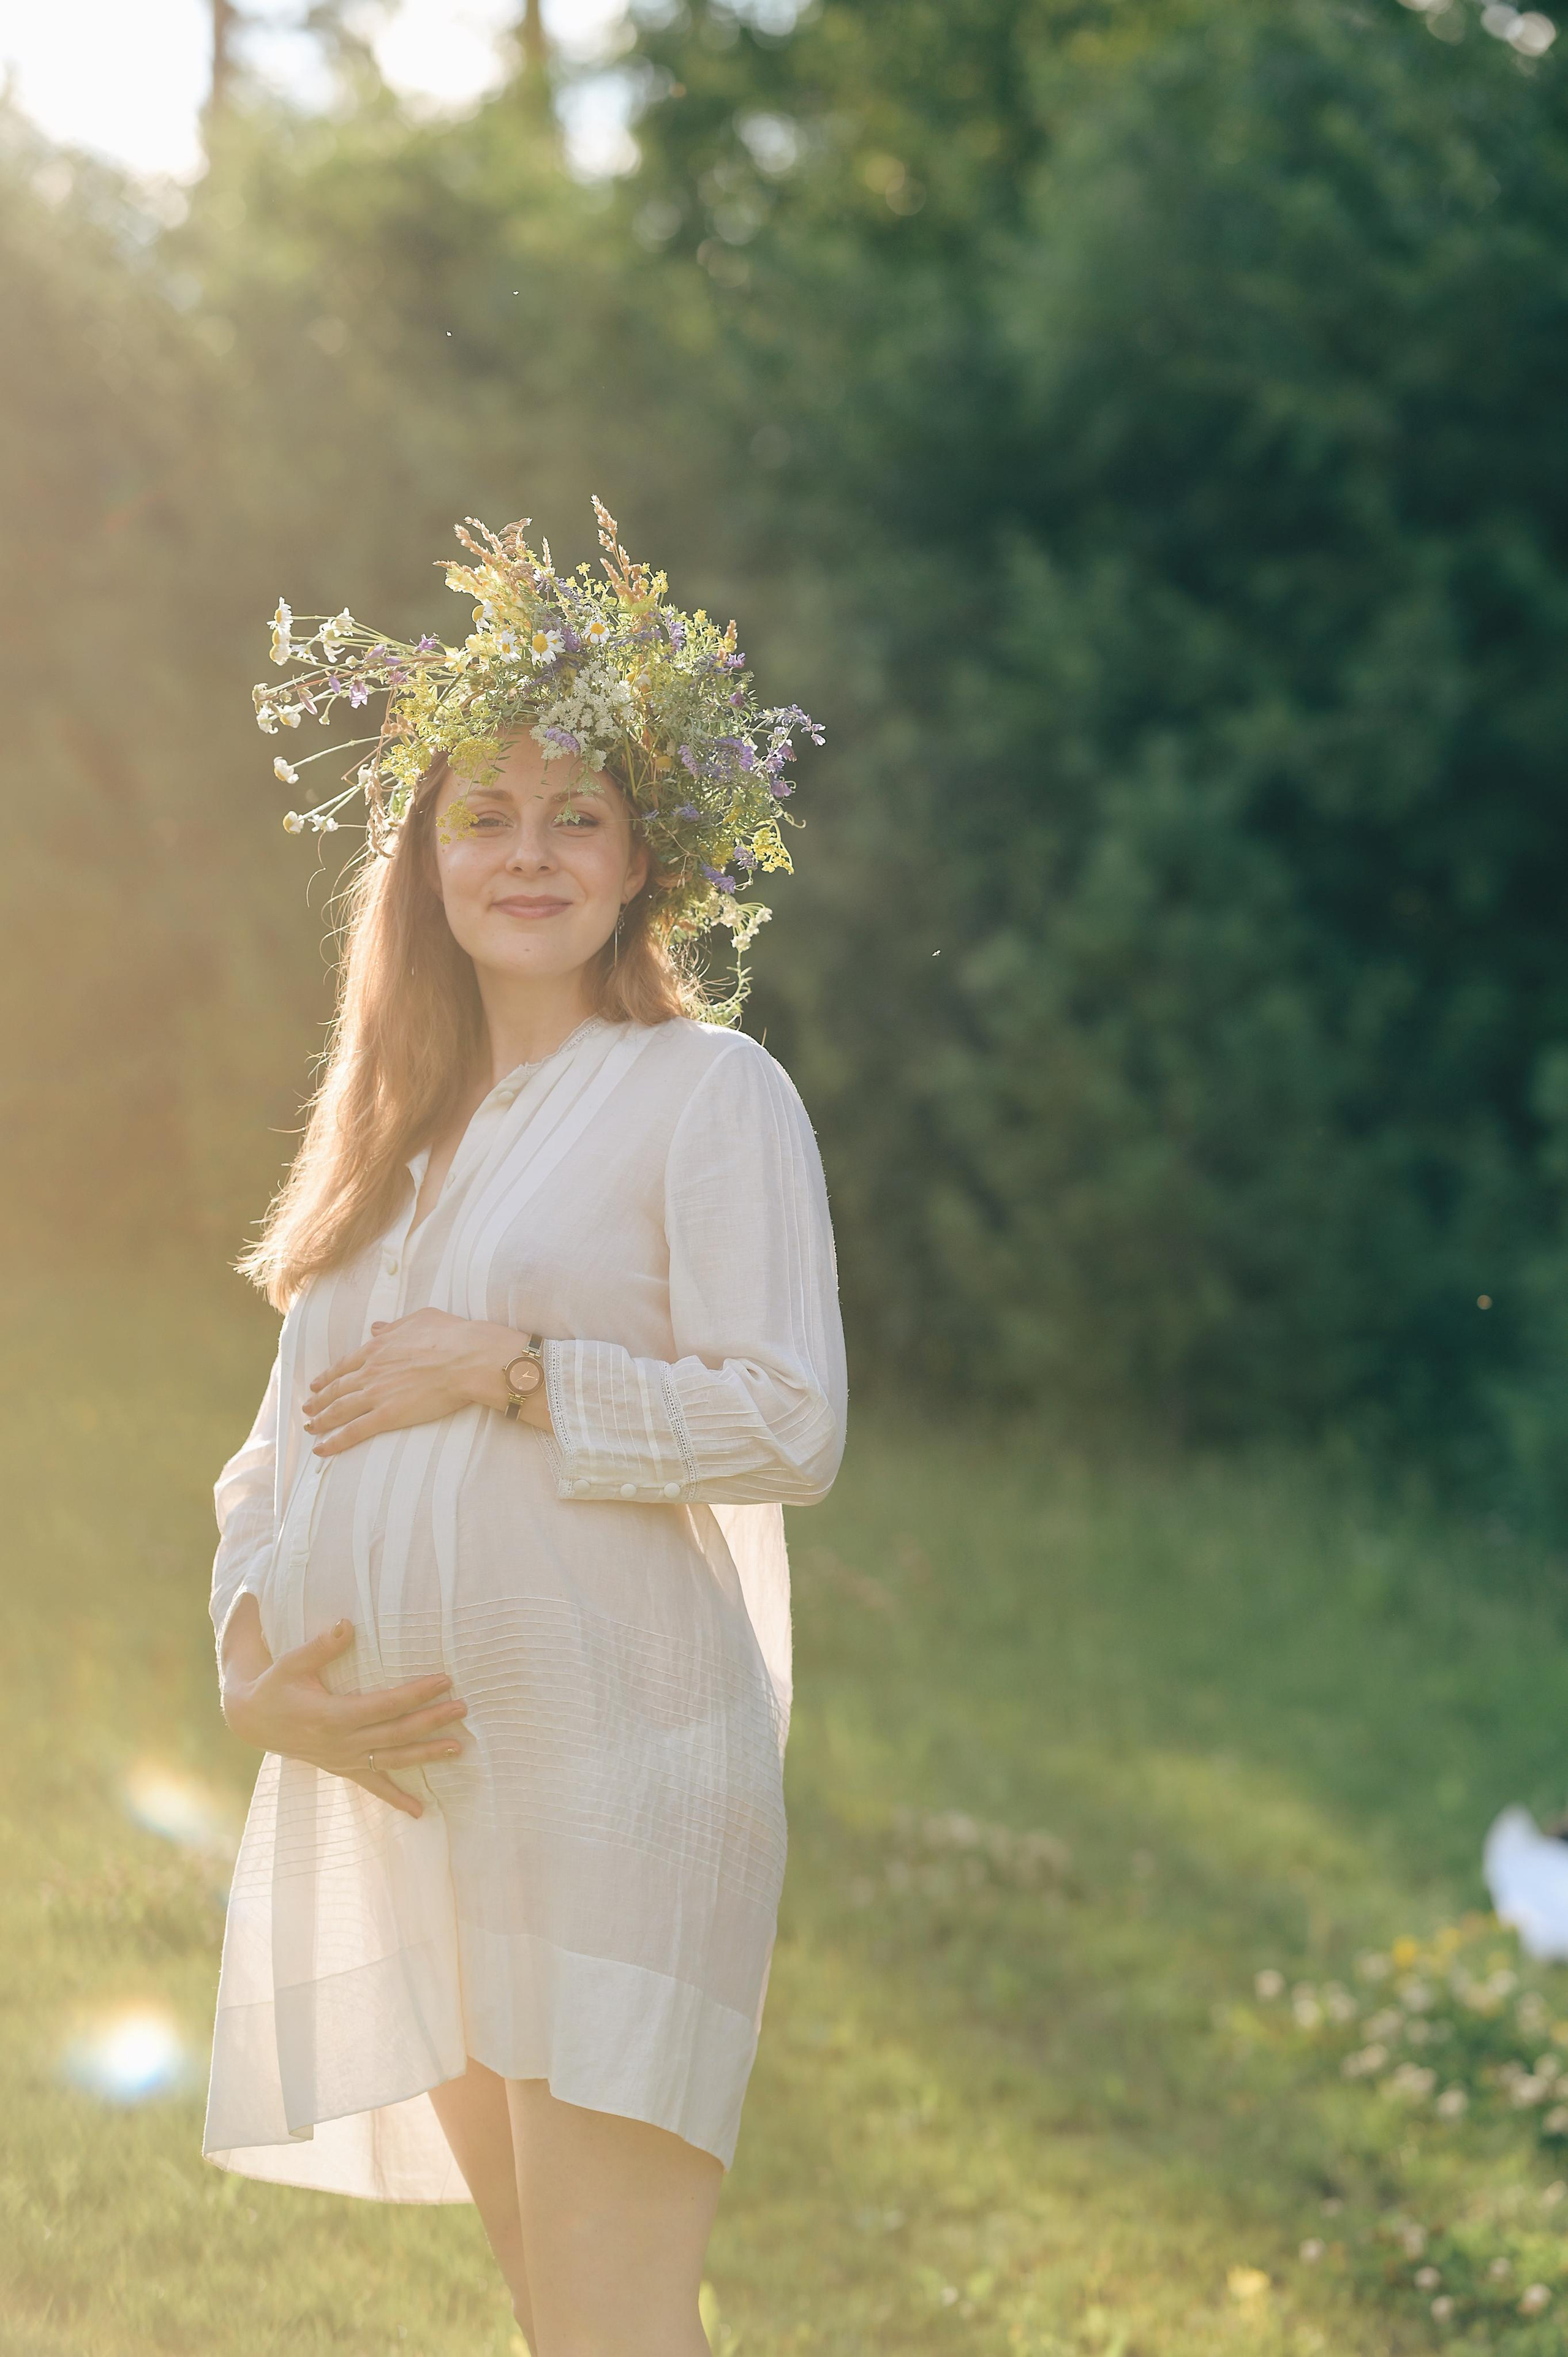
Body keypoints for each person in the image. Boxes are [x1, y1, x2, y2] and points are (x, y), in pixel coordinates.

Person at [203, 505, 846, 2357]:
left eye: (575, 815)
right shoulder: (387, 1140)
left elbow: (790, 1421)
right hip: (417, 1792)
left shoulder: (705, 1093)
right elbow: (270, 1457)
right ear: (422, 856)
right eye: (482, 814)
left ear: (647, 856)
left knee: (619, 2323)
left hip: (620, 1769)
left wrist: (515, 1371)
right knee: (571, 2328)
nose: (527, 852)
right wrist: (253, 1671)